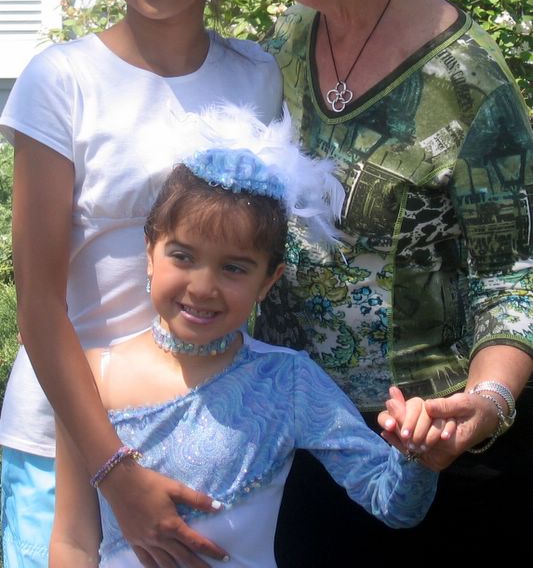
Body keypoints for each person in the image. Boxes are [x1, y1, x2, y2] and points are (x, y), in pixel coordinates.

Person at [220, 0, 533, 562]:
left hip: (431, 452)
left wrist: (486, 402)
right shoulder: (291, 37)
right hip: (302, 433)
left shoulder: (465, 80)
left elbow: (512, 278)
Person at [0, 0, 283, 568]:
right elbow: (38, 303)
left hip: (208, 433)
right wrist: (112, 470)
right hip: (65, 443)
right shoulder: (61, 80)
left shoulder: (257, 77)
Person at [49, 103, 439, 568]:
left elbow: (394, 505)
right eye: (183, 256)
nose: (203, 287)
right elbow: (72, 540)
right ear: (150, 252)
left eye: (233, 267)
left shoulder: (289, 381)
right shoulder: (92, 377)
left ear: (268, 281)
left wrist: (419, 453)